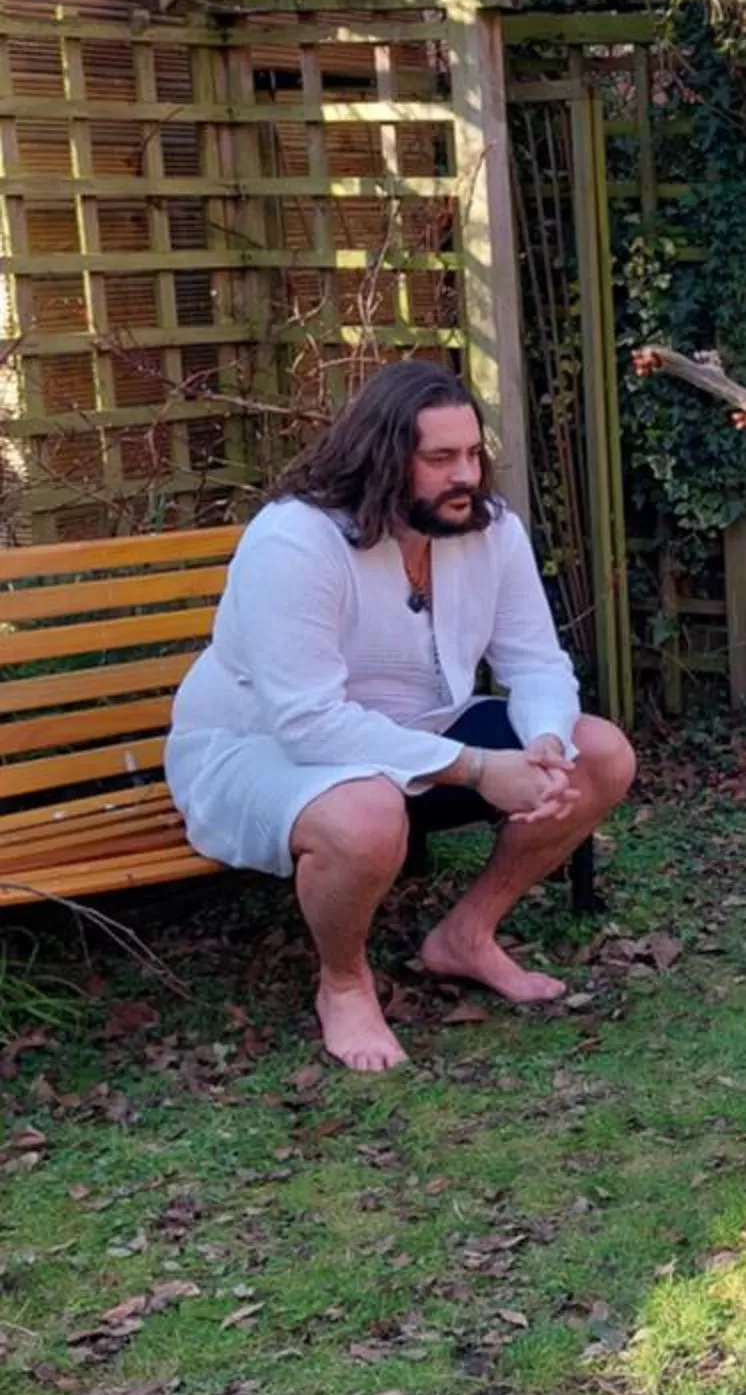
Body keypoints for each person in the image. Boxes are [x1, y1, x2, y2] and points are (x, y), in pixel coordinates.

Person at [167, 361, 635, 1072]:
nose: (466, 476)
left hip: (422, 728)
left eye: (473, 454)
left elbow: (536, 664)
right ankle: (345, 982)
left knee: (597, 753)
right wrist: (481, 769)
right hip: (256, 750)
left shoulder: (488, 530)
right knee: (368, 812)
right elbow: (308, 724)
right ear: (383, 455)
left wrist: (540, 742)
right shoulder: (294, 540)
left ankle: (467, 936)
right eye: (440, 458)